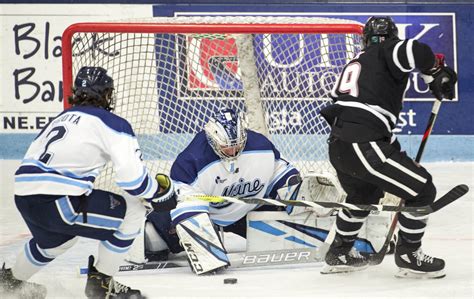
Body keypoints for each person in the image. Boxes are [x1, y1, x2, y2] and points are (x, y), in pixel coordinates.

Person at [0, 66, 175, 298]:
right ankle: (102, 285)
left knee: (57, 242)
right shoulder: (113, 123)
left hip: (24, 196)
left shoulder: (60, 118)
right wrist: (159, 194)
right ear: (107, 94)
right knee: (133, 210)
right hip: (58, 200)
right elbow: (133, 181)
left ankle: (10, 282)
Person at [320, 16, 457, 278]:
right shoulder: (385, 50)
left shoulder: (360, 61)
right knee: (422, 190)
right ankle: (409, 256)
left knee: (363, 197)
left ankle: (339, 252)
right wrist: (435, 72)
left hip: (342, 145)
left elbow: (367, 119)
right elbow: (416, 50)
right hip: (363, 144)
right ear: (390, 36)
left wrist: (401, 160)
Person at [134, 108, 301, 274]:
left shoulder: (261, 146)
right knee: (154, 233)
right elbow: (185, 203)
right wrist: (206, 250)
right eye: (226, 147)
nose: (233, 152)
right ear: (212, 140)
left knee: (289, 208)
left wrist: (296, 192)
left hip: (246, 213)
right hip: (208, 215)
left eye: (237, 145)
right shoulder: (190, 161)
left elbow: (280, 173)